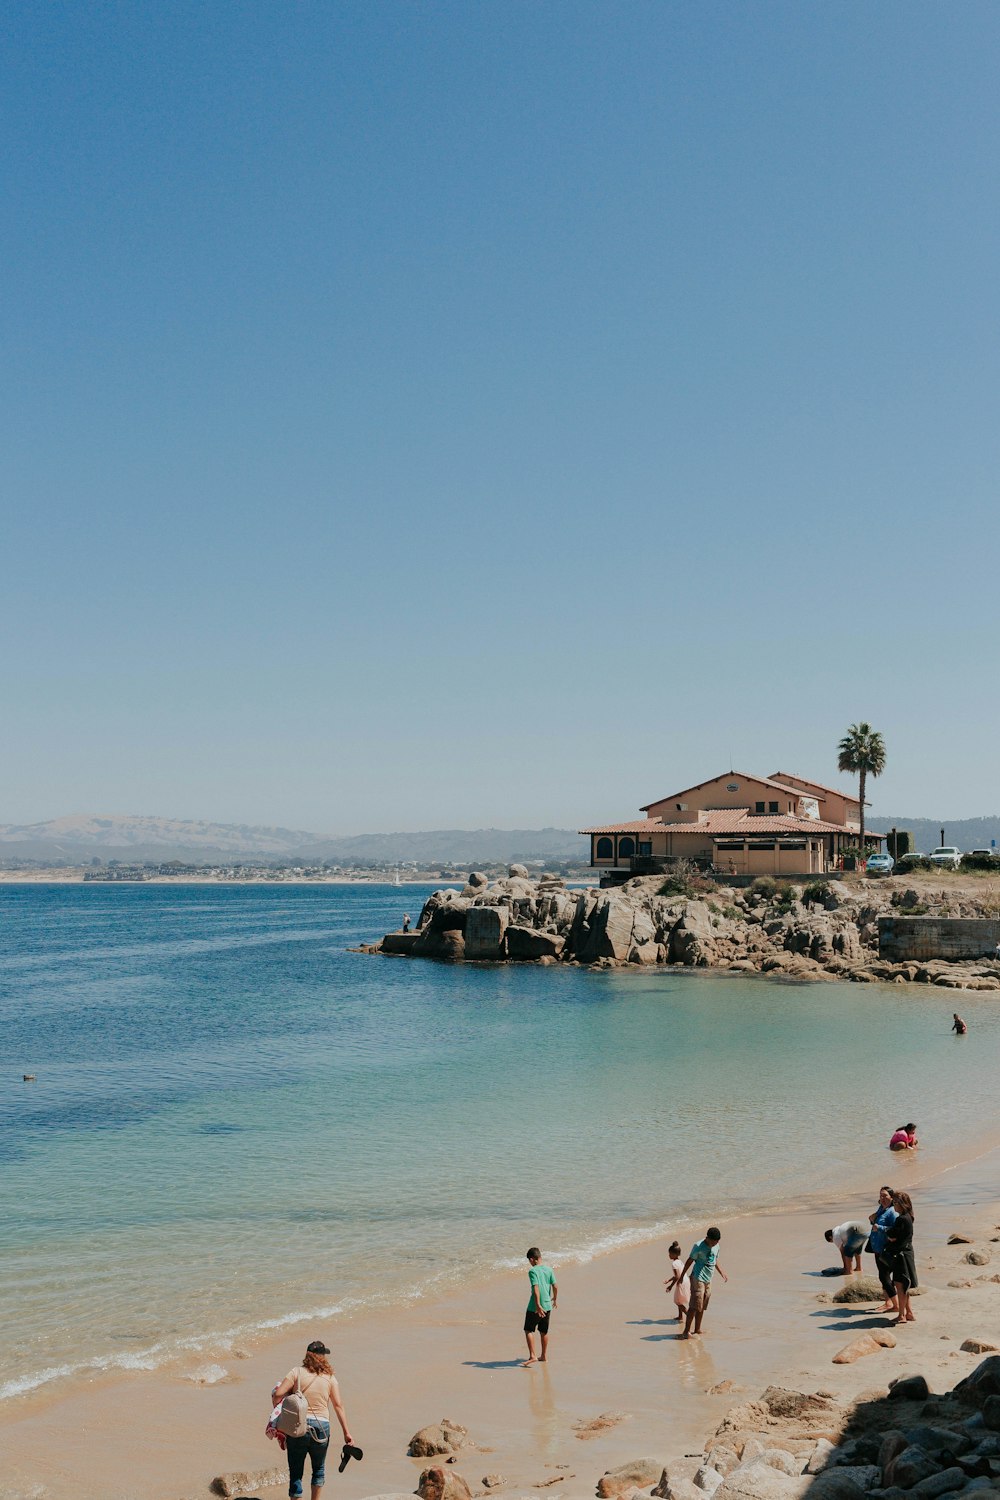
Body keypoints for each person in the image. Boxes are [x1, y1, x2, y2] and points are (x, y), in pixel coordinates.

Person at [271, 1340, 354, 1500]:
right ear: (322, 1357)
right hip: (321, 1427)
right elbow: (338, 1405)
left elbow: (278, 1395)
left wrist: (288, 1400)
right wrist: (347, 1433)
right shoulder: (329, 1377)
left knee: (296, 1473)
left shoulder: (296, 1372)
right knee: (319, 1470)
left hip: (298, 1427)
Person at [679, 1227, 727, 1339]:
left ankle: (697, 1329)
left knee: (702, 1305)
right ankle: (686, 1332)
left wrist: (722, 1272)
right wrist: (682, 1276)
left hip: (708, 1279)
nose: (716, 1244)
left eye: (718, 1241)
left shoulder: (716, 1246)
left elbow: (715, 1260)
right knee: (695, 1305)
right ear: (707, 1238)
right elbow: (689, 1261)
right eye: (714, 1241)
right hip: (697, 1278)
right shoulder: (698, 1246)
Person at [522, 1247, 557, 1366]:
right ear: (540, 1257)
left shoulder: (533, 1271)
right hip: (547, 1305)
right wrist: (555, 1299)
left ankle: (533, 1356)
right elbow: (555, 1286)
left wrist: (537, 1305)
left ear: (532, 1259)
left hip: (535, 1306)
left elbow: (535, 1288)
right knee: (544, 1331)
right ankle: (543, 1356)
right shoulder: (549, 1269)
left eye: (529, 1261)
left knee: (528, 1330)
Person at [886, 1191, 917, 1325]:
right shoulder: (909, 1216)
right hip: (907, 1252)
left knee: (900, 1285)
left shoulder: (901, 1219)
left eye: (896, 1203)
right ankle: (909, 1312)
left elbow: (892, 1235)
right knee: (905, 1285)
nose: (894, 1206)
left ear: (902, 1204)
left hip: (901, 1255)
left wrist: (889, 1235)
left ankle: (901, 1315)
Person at [867, 1186, 898, 1313]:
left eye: (885, 1195)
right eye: (881, 1196)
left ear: (892, 1197)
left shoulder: (892, 1212)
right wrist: (872, 1220)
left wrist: (879, 1227)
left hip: (886, 1249)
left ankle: (895, 1304)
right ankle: (888, 1302)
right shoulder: (881, 1208)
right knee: (883, 1276)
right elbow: (875, 1222)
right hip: (877, 1248)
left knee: (884, 1276)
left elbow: (895, 1230)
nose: (883, 1198)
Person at [664, 1240, 690, 1323]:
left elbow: (677, 1276)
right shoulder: (680, 1262)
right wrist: (668, 1280)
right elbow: (678, 1275)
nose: (669, 1255)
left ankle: (689, 1315)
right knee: (679, 1300)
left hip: (681, 1282)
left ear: (674, 1254)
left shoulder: (674, 1264)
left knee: (677, 1302)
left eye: (670, 1254)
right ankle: (680, 1316)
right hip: (685, 1280)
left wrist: (670, 1286)